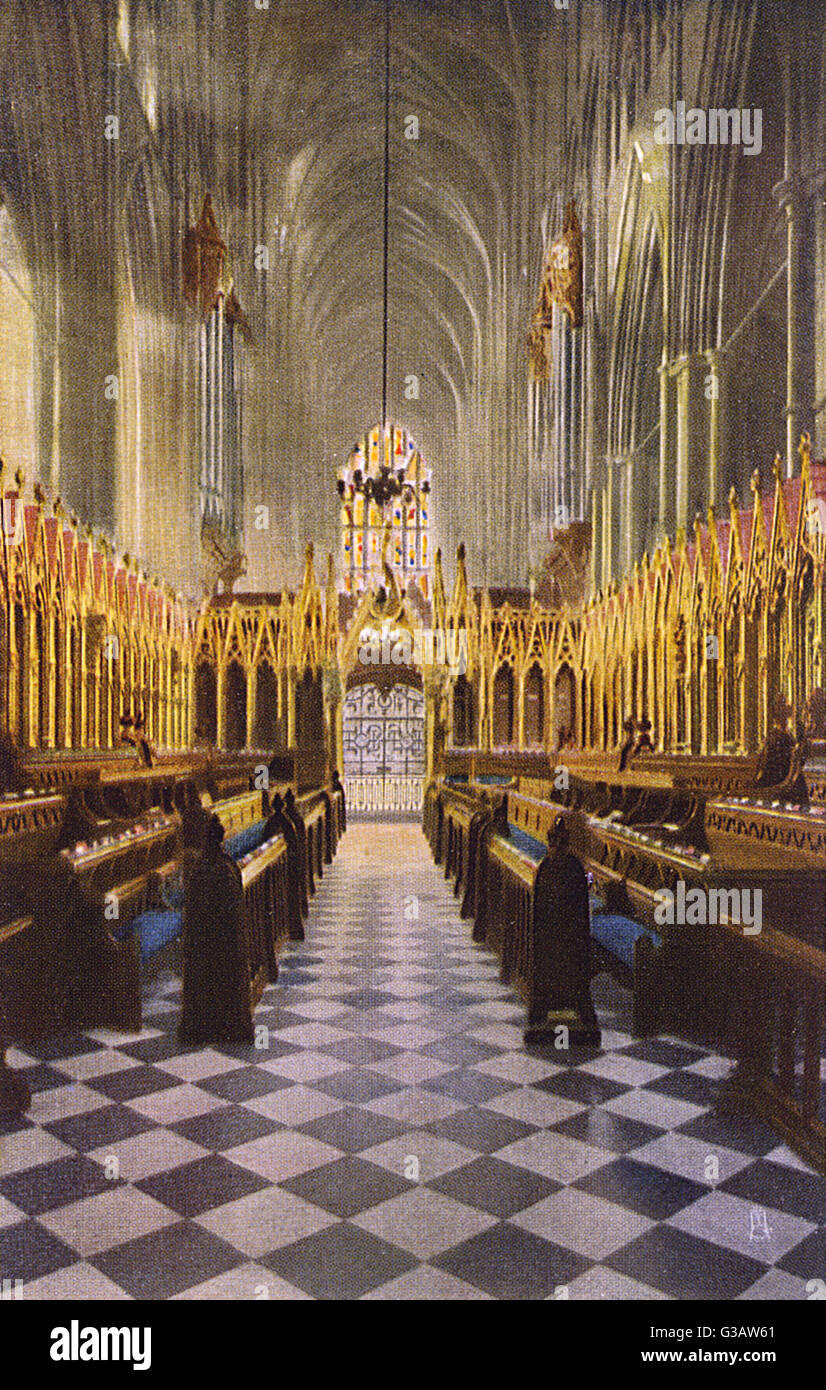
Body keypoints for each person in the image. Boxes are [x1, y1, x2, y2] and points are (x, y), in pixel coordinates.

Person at [527, 813, 600, 1046]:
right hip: (565, 943)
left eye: (558, 841)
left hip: (557, 943)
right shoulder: (569, 866)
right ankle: (574, 1020)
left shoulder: (550, 866)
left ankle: (547, 1019)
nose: (556, 845)